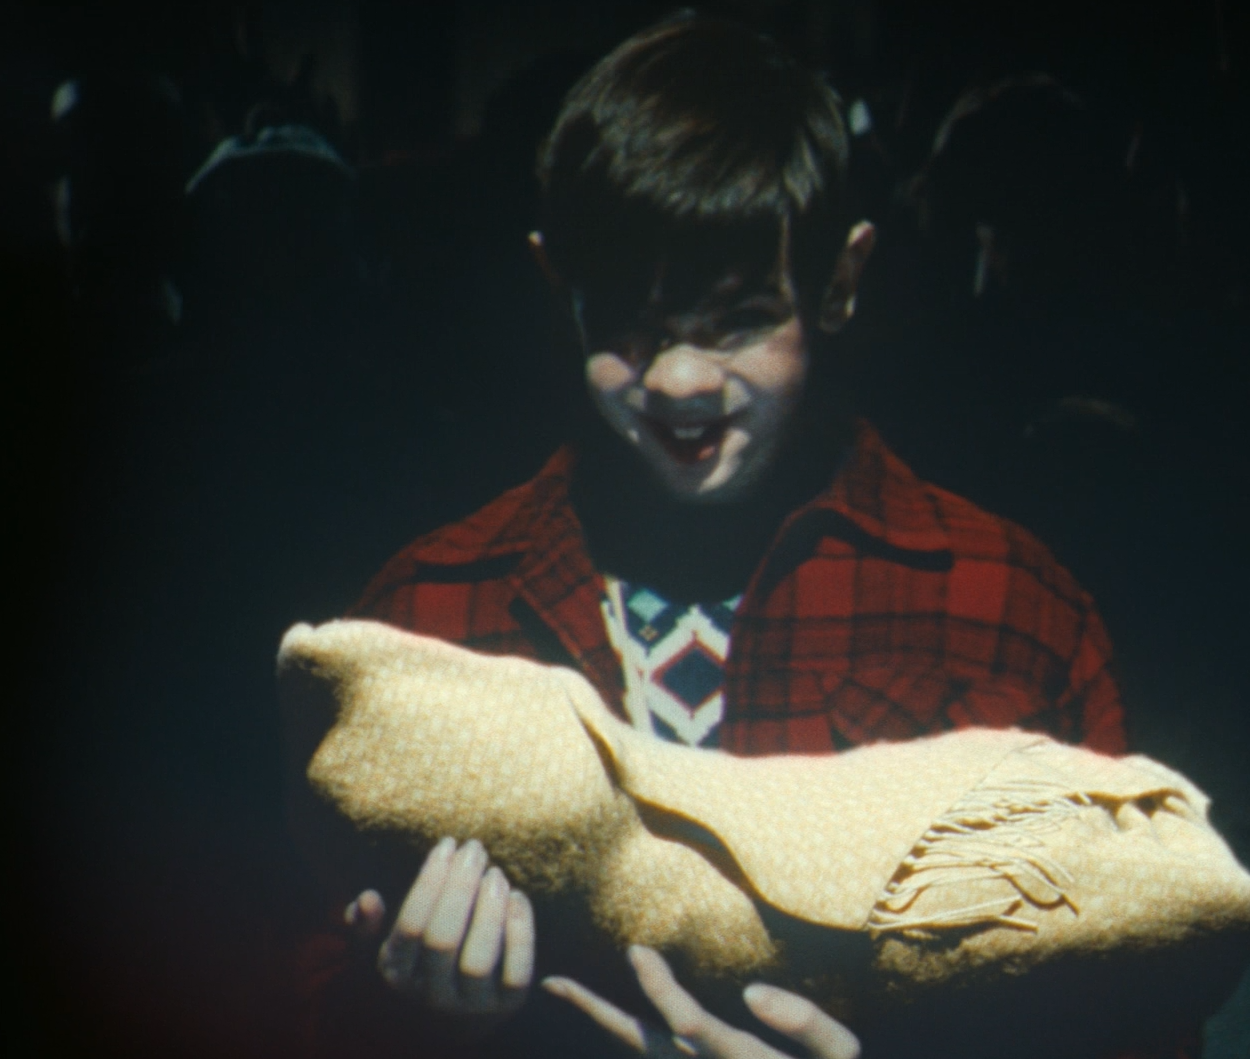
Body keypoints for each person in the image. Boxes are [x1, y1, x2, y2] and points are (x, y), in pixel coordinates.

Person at [293, 14, 1157, 1059]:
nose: (678, 382)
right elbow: (307, 992)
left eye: (739, 318)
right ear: (556, 286)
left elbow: (1136, 1017)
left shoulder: (1005, 609)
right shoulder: (428, 615)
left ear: (840, 282)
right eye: (625, 324)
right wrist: (407, 1018)